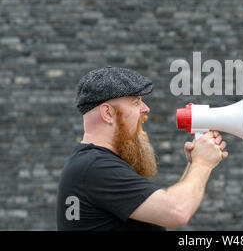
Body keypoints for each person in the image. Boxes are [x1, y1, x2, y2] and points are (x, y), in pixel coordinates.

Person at [56, 66, 228, 230]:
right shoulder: (96, 168)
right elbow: (176, 212)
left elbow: (162, 211)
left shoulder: (90, 165)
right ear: (108, 113)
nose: (146, 109)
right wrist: (202, 164)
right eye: (136, 101)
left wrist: (193, 164)